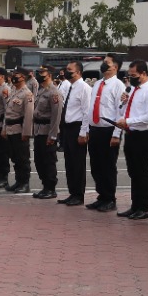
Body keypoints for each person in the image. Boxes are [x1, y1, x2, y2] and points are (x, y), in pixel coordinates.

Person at [114, 59, 148, 219]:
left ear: (144, 74)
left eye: (134, 75)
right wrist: (123, 104)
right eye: (129, 75)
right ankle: (135, 205)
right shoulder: (133, 89)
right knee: (133, 171)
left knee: (142, 172)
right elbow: (128, 110)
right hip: (131, 133)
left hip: (143, 135)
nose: (131, 78)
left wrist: (128, 121)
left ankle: (143, 207)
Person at [85, 54, 126, 212]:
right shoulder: (98, 84)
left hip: (109, 130)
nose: (103, 65)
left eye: (106, 63)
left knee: (107, 166)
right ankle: (101, 196)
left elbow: (120, 111)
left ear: (114, 67)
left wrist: (116, 134)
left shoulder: (118, 85)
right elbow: (91, 107)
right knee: (96, 166)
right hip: (95, 129)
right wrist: (87, 129)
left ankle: (110, 198)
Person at [59, 59, 92, 206]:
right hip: (67, 128)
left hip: (77, 128)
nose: (67, 72)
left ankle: (79, 195)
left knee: (77, 163)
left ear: (78, 72)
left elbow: (86, 112)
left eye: (69, 70)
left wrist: (83, 132)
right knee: (69, 163)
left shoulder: (84, 88)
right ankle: (72, 192)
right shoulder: (70, 87)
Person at [2, 68, 35, 193]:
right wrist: (4, 128)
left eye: (18, 75)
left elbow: (28, 115)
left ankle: (24, 183)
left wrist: (26, 133)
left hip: (19, 130)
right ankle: (18, 181)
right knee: (15, 158)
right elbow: (8, 112)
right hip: (10, 129)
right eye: (14, 75)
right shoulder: (14, 92)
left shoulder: (27, 94)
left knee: (22, 158)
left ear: (24, 77)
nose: (14, 77)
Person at [31, 65, 62, 198]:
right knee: (39, 161)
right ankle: (45, 186)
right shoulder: (41, 90)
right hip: (38, 130)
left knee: (48, 161)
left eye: (42, 72)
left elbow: (56, 116)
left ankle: (51, 188)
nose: (39, 74)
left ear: (49, 74)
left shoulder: (54, 92)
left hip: (47, 131)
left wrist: (53, 135)